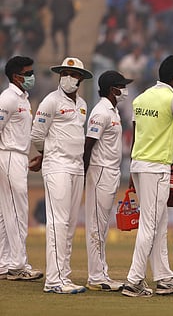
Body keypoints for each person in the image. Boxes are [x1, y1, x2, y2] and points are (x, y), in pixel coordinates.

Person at [121, 55, 173, 298]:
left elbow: (136, 133)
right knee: (150, 224)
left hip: (139, 163)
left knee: (159, 223)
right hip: (157, 167)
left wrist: (133, 171)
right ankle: (133, 280)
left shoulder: (141, 97)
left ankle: (164, 278)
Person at [30, 57, 93, 294]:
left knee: (68, 225)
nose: (70, 77)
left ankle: (64, 276)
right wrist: (46, 154)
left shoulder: (83, 104)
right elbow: (37, 134)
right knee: (58, 222)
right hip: (57, 166)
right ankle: (54, 280)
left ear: (81, 79)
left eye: (75, 74)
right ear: (60, 75)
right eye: (66, 73)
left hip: (76, 167)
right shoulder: (50, 101)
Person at [83, 70, 133, 292]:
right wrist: (84, 174)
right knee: (96, 225)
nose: (125, 90)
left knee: (102, 226)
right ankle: (96, 276)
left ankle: (101, 272)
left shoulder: (112, 110)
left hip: (111, 171)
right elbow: (88, 145)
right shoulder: (101, 112)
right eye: (122, 86)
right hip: (100, 171)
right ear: (113, 89)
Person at [0, 56, 43, 281]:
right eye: (28, 73)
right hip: (8, 156)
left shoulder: (23, 98)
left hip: (17, 157)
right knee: (17, 211)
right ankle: (18, 265)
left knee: (5, 213)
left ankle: (4, 263)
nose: (31, 77)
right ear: (16, 76)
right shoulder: (8, 98)